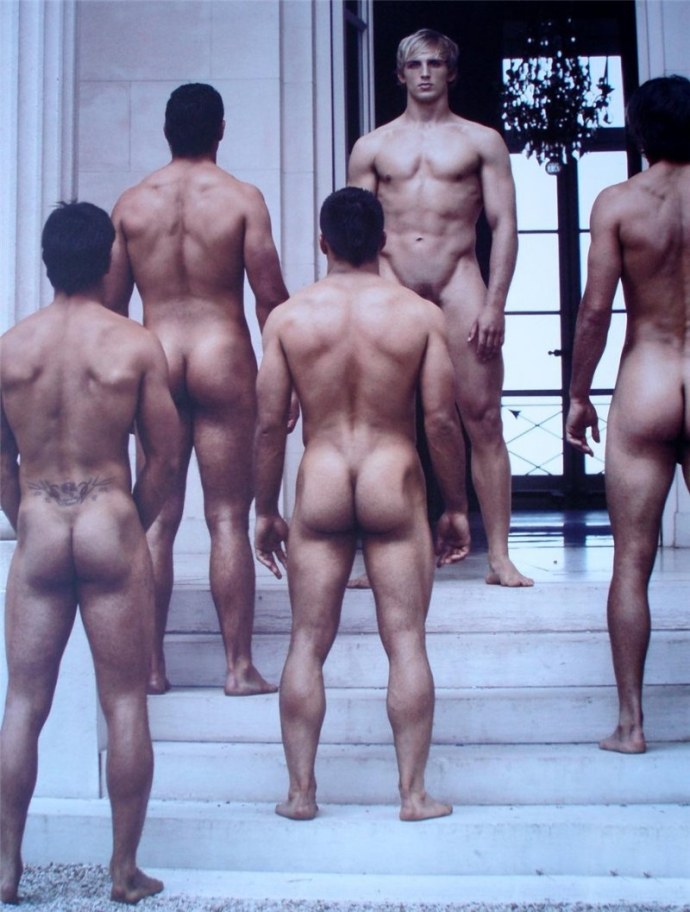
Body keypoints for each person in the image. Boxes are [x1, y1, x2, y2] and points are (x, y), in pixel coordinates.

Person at [254, 187, 471, 822]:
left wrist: (264, 509)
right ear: (382, 242)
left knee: (306, 641)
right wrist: (457, 505)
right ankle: (413, 794)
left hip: (322, 475)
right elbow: (441, 422)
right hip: (390, 474)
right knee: (405, 641)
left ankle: (301, 793)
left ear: (323, 242)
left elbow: (269, 426)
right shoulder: (420, 316)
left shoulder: (288, 319)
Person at [0, 202, 179, 904]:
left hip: (41, 525)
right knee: (125, 702)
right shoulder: (134, 345)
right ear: (108, 261)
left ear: (48, 263)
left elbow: (0, 461)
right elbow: (165, 457)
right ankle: (124, 871)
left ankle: (6, 868)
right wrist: (129, 520)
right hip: (109, 521)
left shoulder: (10, 348)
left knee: (22, 703)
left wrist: (26, 517)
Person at [105, 83, 295, 696]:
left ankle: (151, 669)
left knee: (156, 522)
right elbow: (270, 299)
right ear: (221, 130)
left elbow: (109, 311)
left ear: (166, 132)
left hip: (156, 357)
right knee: (228, 519)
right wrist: (287, 380)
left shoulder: (131, 205)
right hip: (223, 357)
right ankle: (238, 669)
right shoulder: (241, 199)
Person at [348, 28, 532, 588]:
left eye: (434, 63)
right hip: (391, 284)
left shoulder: (482, 142)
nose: (425, 73)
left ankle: (499, 556)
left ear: (450, 72)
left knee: (483, 418)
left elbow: (504, 225)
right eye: (415, 64)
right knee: (387, 424)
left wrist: (496, 304)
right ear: (400, 74)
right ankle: (387, 553)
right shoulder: (372, 147)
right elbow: (355, 231)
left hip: (460, 284)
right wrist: (358, 302)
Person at [565, 75, 690, 754]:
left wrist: (578, 394)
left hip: (646, 378)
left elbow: (595, 311)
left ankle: (631, 724)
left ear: (639, 132)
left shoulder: (618, 203)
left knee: (632, 560)